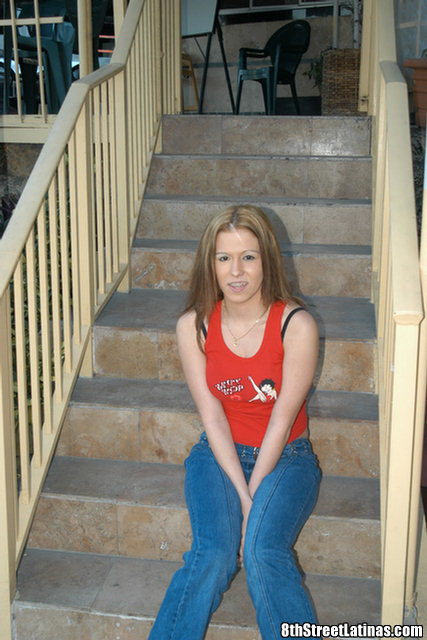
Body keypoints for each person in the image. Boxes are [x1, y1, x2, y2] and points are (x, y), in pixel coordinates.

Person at [148, 205, 321, 640]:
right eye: (224, 258)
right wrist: (246, 502)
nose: (236, 271)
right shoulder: (194, 326)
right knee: (212, 554)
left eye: (248, 257)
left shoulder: (296, 325)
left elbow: (281, 422)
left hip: (286, 457)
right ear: (210, 263)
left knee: (262, 550)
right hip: (218, 454)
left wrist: (253, 500)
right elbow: (212, 417)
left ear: (267, 260)